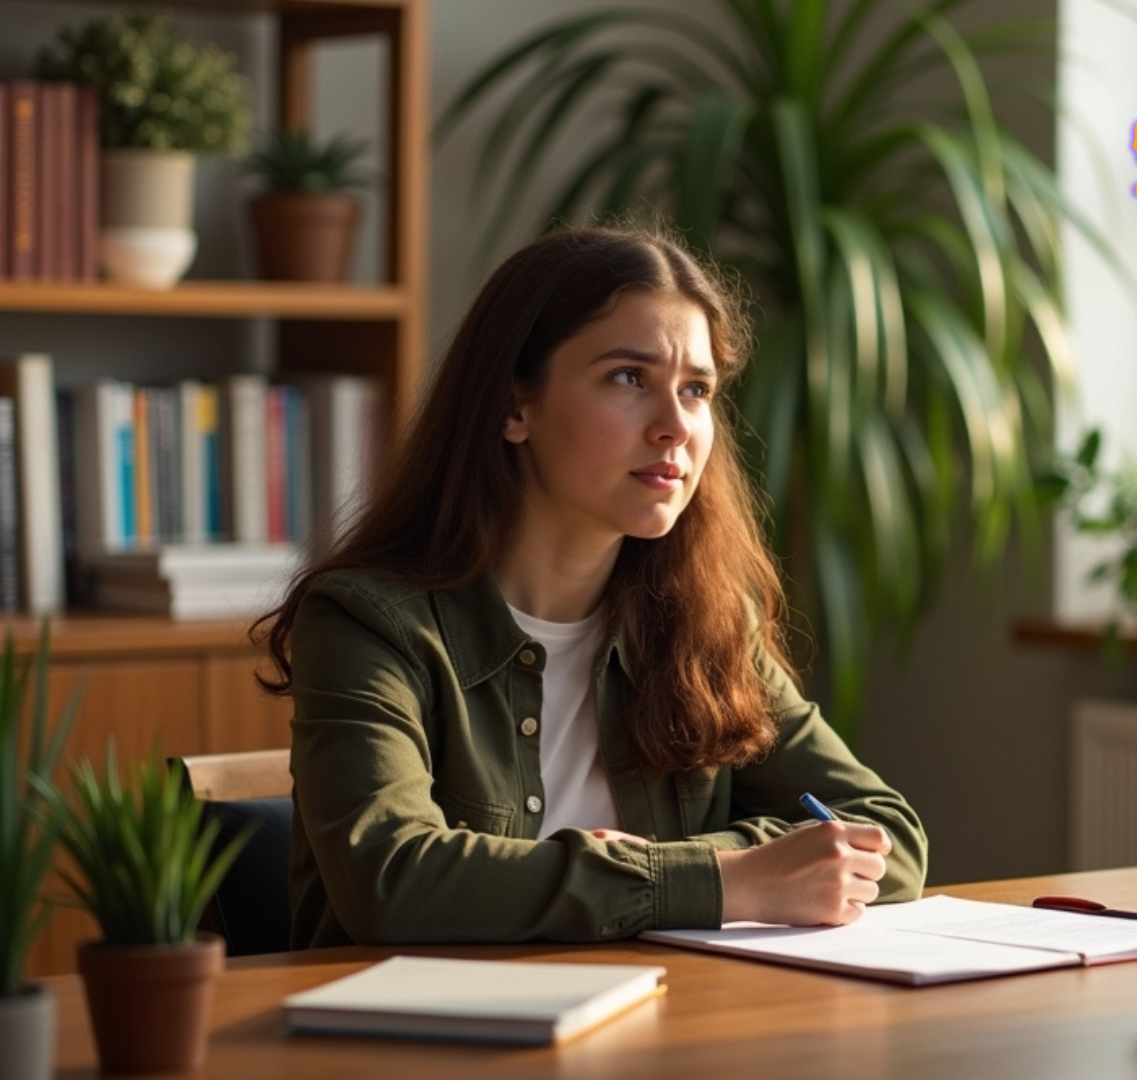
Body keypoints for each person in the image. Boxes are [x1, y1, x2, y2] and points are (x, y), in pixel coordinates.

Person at [256, 225, 928, 948]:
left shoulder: (706, 621)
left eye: (696, 390)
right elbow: (390, 879)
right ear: (515, 406)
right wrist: (733, 878)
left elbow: (886, 835)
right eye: (629, 378)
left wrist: (705, 869)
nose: (676, 426)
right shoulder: (367, 622)